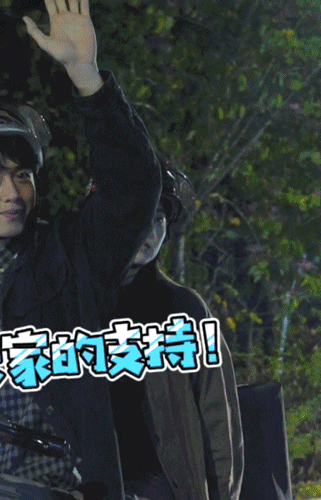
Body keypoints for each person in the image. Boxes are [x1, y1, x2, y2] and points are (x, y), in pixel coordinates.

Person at [0, 0, 160, 498]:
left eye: (22, 175)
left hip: (48, 484)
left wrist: (87, 77)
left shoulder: (72, 254)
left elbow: (134, 187)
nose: (12, 193)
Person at [107, 161, 244, 500]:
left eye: (158, 219)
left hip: (163, 485)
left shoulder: (183, 308)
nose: (149, 230)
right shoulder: (75, 303)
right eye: (138, 215)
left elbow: (218, 417)